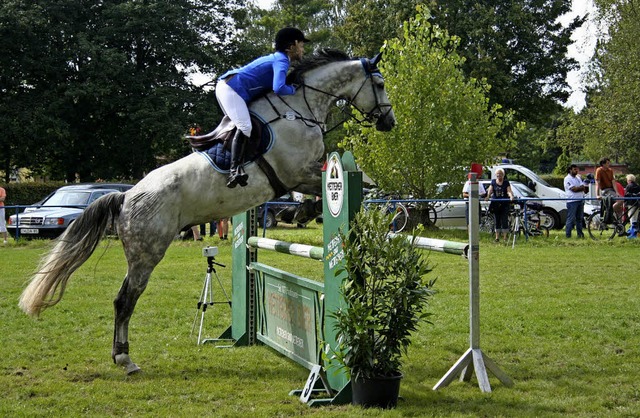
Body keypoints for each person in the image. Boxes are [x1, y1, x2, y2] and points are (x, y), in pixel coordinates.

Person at [216, 27, 310, 188]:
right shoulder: (282, 60)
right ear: (292, 45)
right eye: (301, 45)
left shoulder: (280, 59)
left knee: (246, 127)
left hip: (231, 88)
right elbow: (279, 88)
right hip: (231, 88)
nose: (303, 49)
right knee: (245, 126)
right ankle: (234, 170)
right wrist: (293, 89)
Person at [485, 168, 514, 242]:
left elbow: (509, 191)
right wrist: (488, 196)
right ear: (496, 175)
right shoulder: (493, 182)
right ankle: (497, 237)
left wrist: (511, 196)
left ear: (503, 175)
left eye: (500, 175)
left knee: (504, 220)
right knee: (497, 220)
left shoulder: (506, 182)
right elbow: (490, 190)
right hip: (495, 204)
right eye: (498, 175)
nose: (499, 177)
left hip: (504, 204)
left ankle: (505, 238)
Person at [564, 164, 588, 238]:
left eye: (577, 169)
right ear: (570, 170)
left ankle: (580, 234)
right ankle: (568, 235)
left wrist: (584, 186)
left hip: (580, 200)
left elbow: (584, 189)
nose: (576, 171)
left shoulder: (578, 178)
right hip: (572, 201)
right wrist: (581, 187)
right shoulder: (567, 179)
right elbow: (574, 189)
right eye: (574, 169)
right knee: (571, 219)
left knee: (579, 219)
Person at [624, 174, 640, 239]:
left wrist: (624, 204)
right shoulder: (638, 186)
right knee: (635, 218)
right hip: (637, 204)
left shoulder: (628, 186)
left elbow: (626, 196)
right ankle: (635, 233)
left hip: (631, 204)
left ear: (629, 180)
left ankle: (632, 235)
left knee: (631, 218)